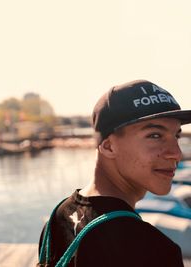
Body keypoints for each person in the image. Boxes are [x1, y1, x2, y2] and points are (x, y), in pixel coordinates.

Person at [38, 80, 191, 267]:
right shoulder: (152, 250)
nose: (176, 153)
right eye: (155, 135)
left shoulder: (60, 215)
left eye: (176, 136)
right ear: (108, 146)